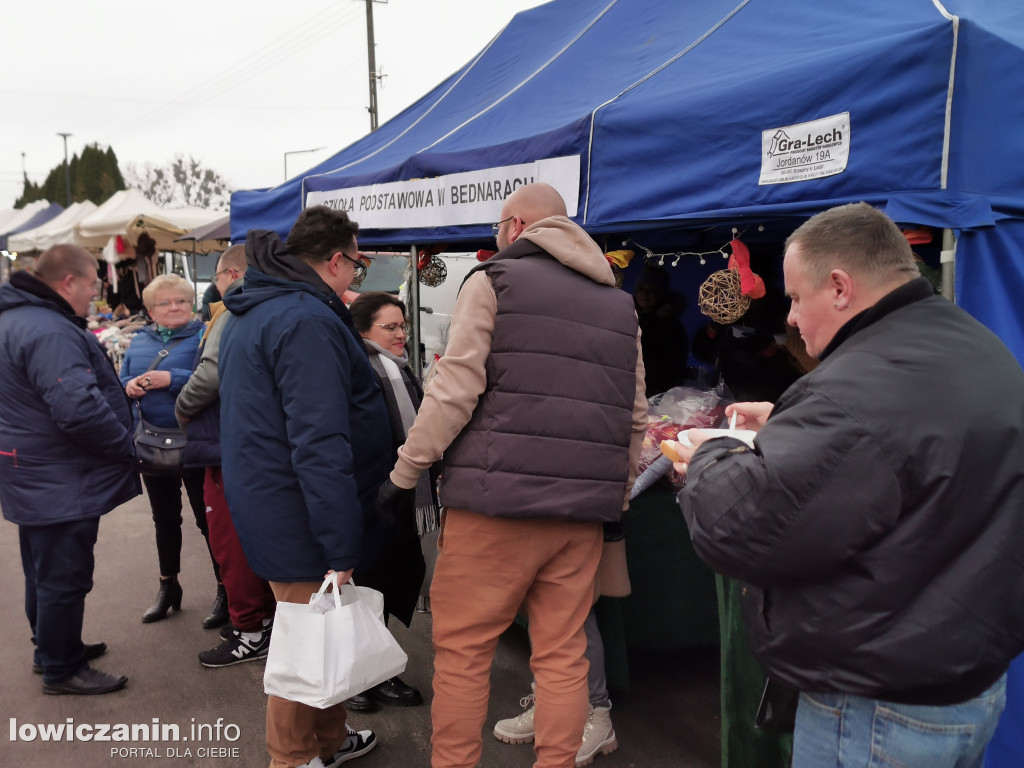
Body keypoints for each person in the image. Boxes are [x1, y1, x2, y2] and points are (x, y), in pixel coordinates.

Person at [673, 202, 1024, 768]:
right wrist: (790, 426)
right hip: (963, 685)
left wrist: (711, 452)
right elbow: (905, 457)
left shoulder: (858, 387)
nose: (788, 318)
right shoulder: (974, 347)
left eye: (793, 297)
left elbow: (741, 529)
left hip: (876, 705)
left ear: (839, 287)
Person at [378, 182, 648, 768]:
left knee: (464, 654)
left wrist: (405, 473)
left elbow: (454, 390)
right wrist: (616, 496)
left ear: (517, 227)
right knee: (563, 655)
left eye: (498, 229)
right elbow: (635, 418)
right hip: (580, 517)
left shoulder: (493, 281)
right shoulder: (619, 302)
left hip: (493, 508)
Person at [218, 206, 386, 768]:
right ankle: (291, 759)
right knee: (302, 643)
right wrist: (340, 543)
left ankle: (330, 740)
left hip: (275, 497)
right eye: (358, 266)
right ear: (336, 260)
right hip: (297, 508)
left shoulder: (263, 309)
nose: (355, 278)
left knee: (321, 632)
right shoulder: (302, 318)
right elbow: (318, 440)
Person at [0, 245, 139, 695]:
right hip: (58, 474)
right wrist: (127, 448)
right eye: (94, 285)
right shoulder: (49, 329)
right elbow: (78, 409)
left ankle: (52, 649)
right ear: (68, 283)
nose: (96, 295)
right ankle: (62, 667)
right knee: (64, 575)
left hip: (31, 470)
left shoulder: (16, 319)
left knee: (43, 570)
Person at [175, 245, 277, 667]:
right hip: (255, 442)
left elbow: (211, 374)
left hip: (228, 443)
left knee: (231, 541)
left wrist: (181, 406)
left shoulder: (234, 309)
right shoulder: (277, 305)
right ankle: (260, 623)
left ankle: (250, 630)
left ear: (229, 274)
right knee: (251, 538)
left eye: (217, 278)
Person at [120, 274, 223, 626]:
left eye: (181, 300)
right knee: (164, 520)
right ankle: (168, 586)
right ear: (150, 310)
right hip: (152, 442)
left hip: (196, 442)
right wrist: (129, 385)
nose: (174, 307)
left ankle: (225, 589)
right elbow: (121, 379)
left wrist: (172, 379)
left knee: (208, 520)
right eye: (165, 302)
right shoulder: (138, 341)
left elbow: (218, 375)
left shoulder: (205, 334)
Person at [347, 291, 431, 710]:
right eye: (391, 327)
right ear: (363, 330)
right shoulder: (360, 368)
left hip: (396, 495)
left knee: (387, 582)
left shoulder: (397, 368)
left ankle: (377, 672)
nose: (401, 334)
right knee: (364, 588)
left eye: (403, 326)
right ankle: (359, 677)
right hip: (368, 495)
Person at [632, 264, 689, 397]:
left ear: (660, 293)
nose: (644, 294)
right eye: (641, 288)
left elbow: (673, 369)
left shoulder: (672, 326)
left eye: (651, 290)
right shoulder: (627, 317)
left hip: (656, 395)